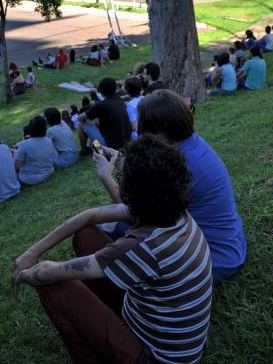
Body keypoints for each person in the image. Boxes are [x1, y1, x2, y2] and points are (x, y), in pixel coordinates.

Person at [11, 135, 212, 364]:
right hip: (149, 320)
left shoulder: (143, 246)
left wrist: (24, 274)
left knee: (53, 287)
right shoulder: (172, 211)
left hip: (156, 358)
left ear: (133, 192)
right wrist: (33, 251)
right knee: (86, 235)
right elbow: (92, 215)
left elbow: (48, 272)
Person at [98, 89, 246, 282]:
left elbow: (140, 219)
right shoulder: (190, 145)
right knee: (111, 221)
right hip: (229, 246)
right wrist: (122, 162)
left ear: (153, 129)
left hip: (211, 261)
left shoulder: (177, 163)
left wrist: (106, 177)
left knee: (110, 227)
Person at [78, 78, 132, 154]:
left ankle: (94, 151)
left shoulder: (101, 105)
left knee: (82, 124)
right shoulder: (119, 100)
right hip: (126, 142)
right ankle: (97, 149)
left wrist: (91, 110)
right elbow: (122, 98)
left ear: (101, 92)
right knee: (96, 122)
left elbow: (80, 118)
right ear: (115, 88)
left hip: (111, 146)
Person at [15, 116, 57, 186]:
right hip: (49, 172)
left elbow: (17, 166)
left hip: (30, 179)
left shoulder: (24, 144)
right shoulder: (49, 140)